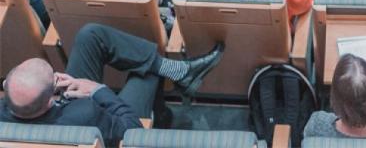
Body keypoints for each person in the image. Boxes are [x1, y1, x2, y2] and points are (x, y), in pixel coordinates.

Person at [0, 24, 223, 146]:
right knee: (144, 72)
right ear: (49, 100)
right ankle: (163, 115)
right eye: (56, 77)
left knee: (90, 36)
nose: (60, 73)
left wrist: (61, 91)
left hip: (55, 112)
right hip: (90, 124)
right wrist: (97, 90)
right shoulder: (85, 113)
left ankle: (179, 73)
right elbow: (131, 131)